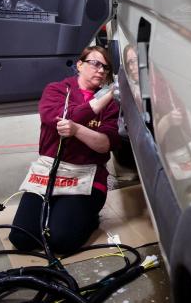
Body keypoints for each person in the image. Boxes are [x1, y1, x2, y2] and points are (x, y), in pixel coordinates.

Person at [9, 45, 120, 254]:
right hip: (51, 171)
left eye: (105, 67)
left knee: (61, 241)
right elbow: (56, 120)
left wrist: (76, 129)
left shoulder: (111, 105)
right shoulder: (57, 90)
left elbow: (106, 143)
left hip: (87, 176)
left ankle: (90, 217)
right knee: (21, 238)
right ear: (79, 65)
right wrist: (99, 102)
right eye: (95, 63)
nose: (101, 70)